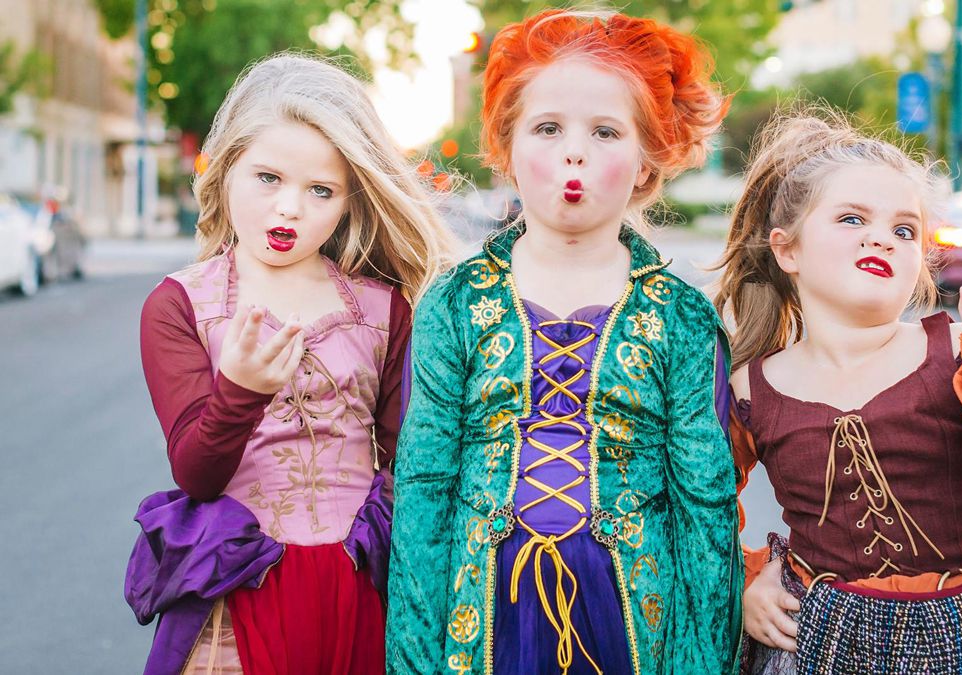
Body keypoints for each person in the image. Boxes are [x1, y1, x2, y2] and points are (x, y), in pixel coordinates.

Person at [385, 10, 742, 675]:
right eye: (547, 128)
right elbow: (424, 493)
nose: (573, 151)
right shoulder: (454, 303)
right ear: (506, 148)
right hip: (484, 622)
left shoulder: (681, 316)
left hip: (634, 619)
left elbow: (706, 510)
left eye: (605, 131)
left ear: (646, 162)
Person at [714, 110, 962, 674]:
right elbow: (696, 511)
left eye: (904, 229)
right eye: (852, 219)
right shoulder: (749, 387)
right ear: (787, 250)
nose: (881, 237)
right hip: (817, 642)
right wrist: (747, 582)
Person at [125, 53, 456, 674]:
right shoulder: (179, 305)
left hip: (359, 587)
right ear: (224, 171)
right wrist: (241, 392)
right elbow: (197, 473)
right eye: (267, 178)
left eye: (320, 190)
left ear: (349, 199)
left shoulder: (386, 309)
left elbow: (411, 464)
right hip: (235, 599)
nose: (290, 208)